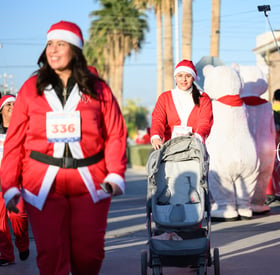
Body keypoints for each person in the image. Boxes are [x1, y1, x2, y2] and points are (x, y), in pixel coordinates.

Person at [0, 21, 127, 274]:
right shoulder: (30, 89)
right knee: (51, 255)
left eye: (60, 44)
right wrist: (10, 185)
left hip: (90, 182)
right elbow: (14, 141)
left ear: (75, 50)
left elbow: (115, 132)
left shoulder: (98, 88)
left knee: (89, 254)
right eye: (49, 44)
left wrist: (115, 174)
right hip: (43, 183)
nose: (53, 50)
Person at [150, 59, 213, 150]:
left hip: (194, 149)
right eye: (180, 75)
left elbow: (205, 122)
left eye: (188, 76)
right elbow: (158, 119)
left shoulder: (203, 98)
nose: (183, 79)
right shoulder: (165, 98)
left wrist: (198, 137)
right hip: (169, 149)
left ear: (193, 78)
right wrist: (156, 137)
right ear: (175, 77)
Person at [0, 94, 30, 266]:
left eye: (14, 103)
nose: (12, 106)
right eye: (8, 104)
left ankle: (22, 242)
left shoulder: (23, 130)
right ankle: (6, 255)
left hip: (16, 179)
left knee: (17, 215)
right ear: (1, 110)